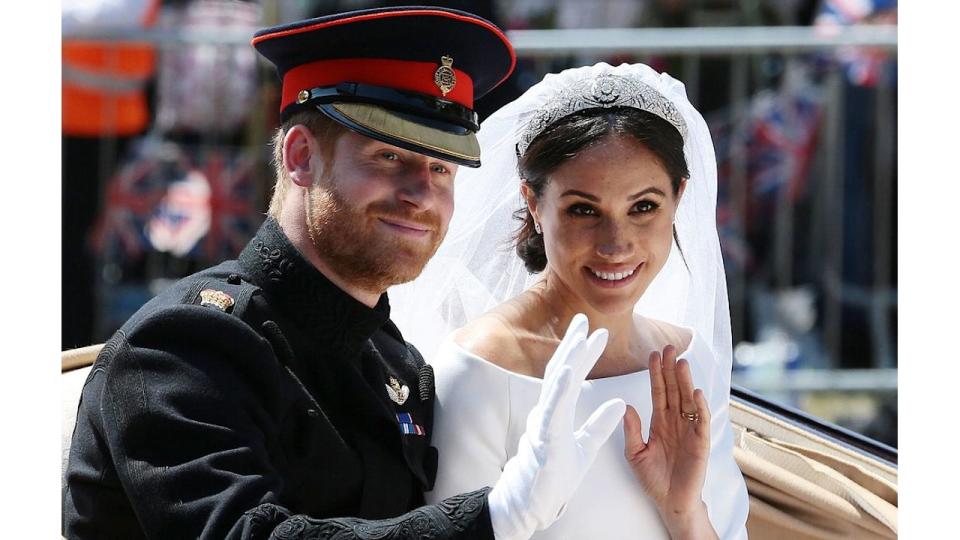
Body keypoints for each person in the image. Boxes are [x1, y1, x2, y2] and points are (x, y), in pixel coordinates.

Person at [63, 8, 629, 539]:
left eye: (440, 167)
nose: (421, 195)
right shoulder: (183, 348)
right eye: (389, 157)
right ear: (301, 157)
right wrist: (493, 517)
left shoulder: (392, 359)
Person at [390, 62, 750, 539]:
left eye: (643, 207)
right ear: (535, 204)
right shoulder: (482, 367)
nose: (615, 243)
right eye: (583, 210)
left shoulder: (686, 360)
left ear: (678, 198)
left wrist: (683, 511)